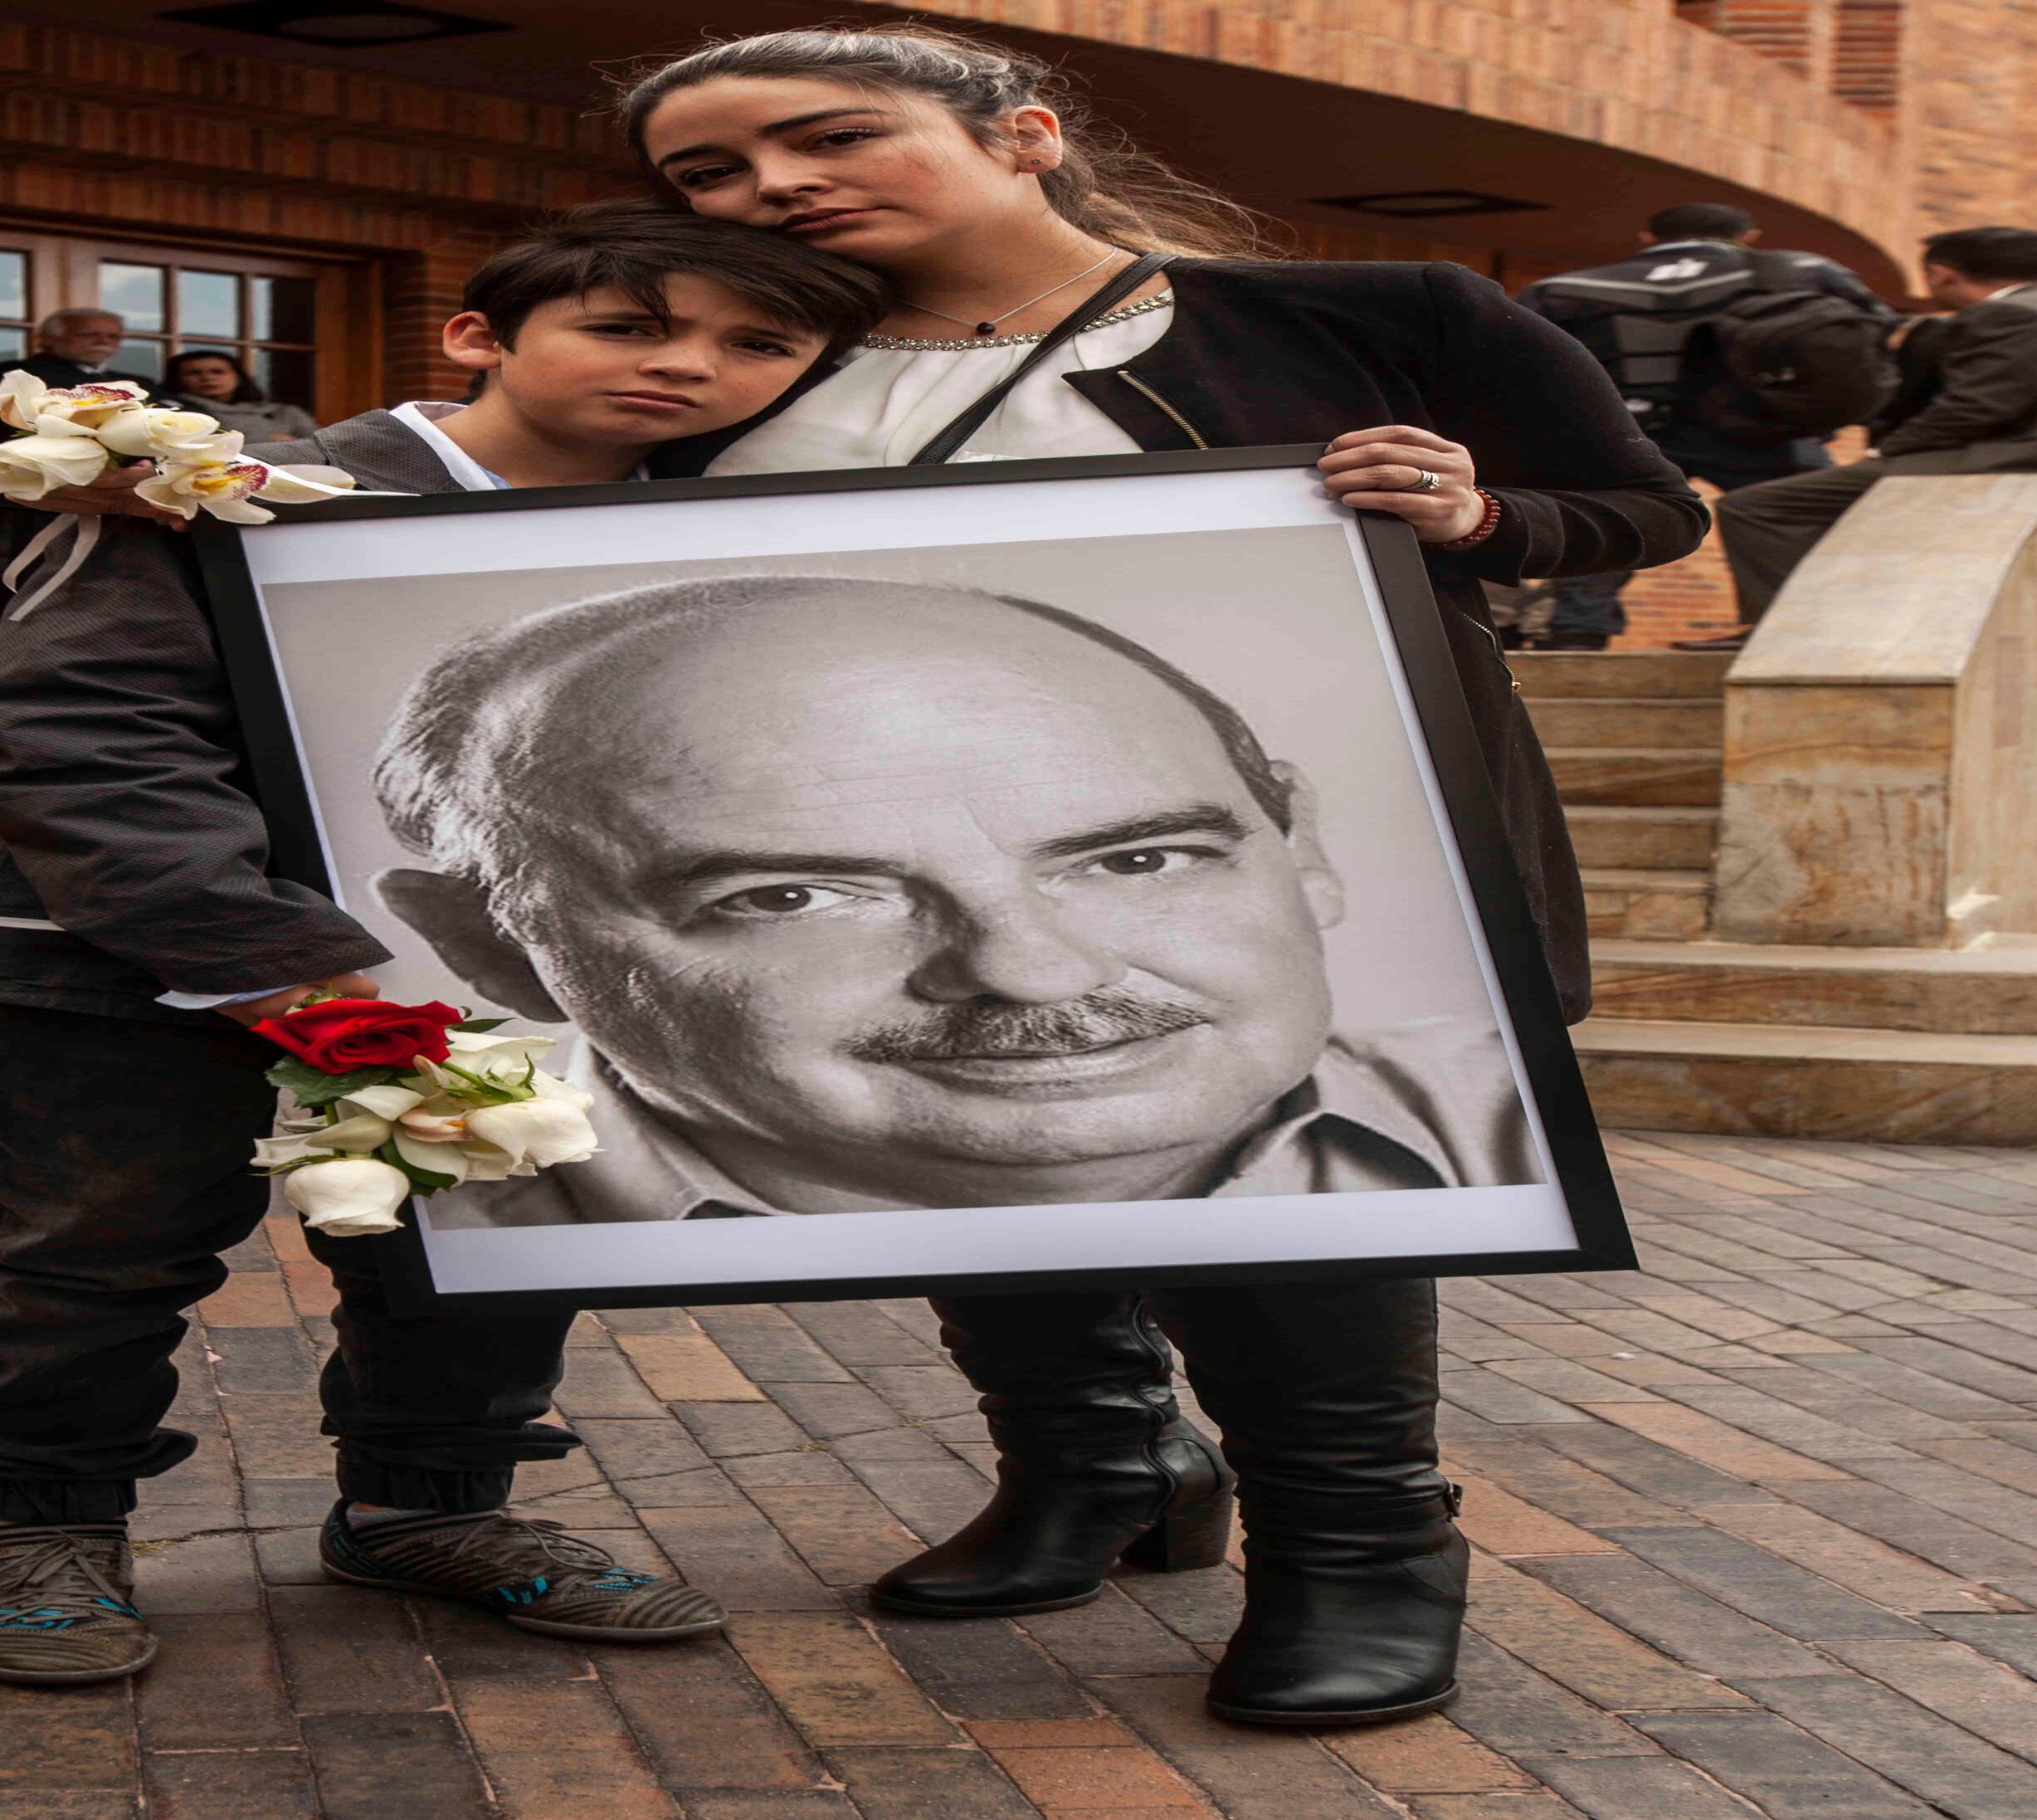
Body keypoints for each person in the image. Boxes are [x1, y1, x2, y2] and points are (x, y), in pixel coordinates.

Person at [612, 23, 1707, 1728]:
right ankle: (1097, 1460)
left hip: (1268, 836)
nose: (771, 187)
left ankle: (1358, 1544)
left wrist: (1477, 517)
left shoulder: (1375, 314)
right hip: (884, 856)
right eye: (710, 173)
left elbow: (1645, 510)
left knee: (1285, 1171)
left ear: (1023, 131)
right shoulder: (737, 367)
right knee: (964, 1133)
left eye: (828, 137)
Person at [0, 204, 885, 1689]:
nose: (689, 366)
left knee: (483, 1243)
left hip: (469, 966)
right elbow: (74, 731)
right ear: (479, 335)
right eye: (629, 326)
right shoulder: (224, 493)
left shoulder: (733, 527)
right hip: (137, 963)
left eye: (757, 344)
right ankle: (46, 1529)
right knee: (88, 1251)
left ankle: (427, 1507)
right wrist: (268, 959)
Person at [374, 574, 1541, 1237]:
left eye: (1138, 860)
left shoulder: (1523, 1121)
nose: (1033, 971)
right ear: (491, 948)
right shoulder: (407, 1219)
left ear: (1300, 850)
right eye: (790, 895)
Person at [1713, 227, 2037, 635]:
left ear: (1942, 274)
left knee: (1758, 506)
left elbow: (1976, 406)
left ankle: (1783, 632)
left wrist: (1886, 453)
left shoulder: (2015, 312)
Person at [1518, 202, 1896, 651]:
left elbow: (1523, 360)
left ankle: (1576, 636)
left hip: (1627, 431)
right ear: (1749, 236)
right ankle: (1801, 634)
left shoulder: (1565, 288)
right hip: (1760, 429)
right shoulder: (1802, 271)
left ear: (1647, 238)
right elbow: (1876, 336)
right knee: (1797, 517)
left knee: (1610, 525)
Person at [0, 306, 168, 403]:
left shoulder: (141, 383)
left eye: (113, 336)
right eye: (89, 334)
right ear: (48, 339)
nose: (103, 341)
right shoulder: (19, 373)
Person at [163, 347, 319, 441]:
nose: (207, 378)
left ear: (237, 377)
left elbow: (319, 446)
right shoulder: (173, 413)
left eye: (218, 372)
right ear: (177, 379)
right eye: (194, 373)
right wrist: (268, 439)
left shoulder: (285, 412)